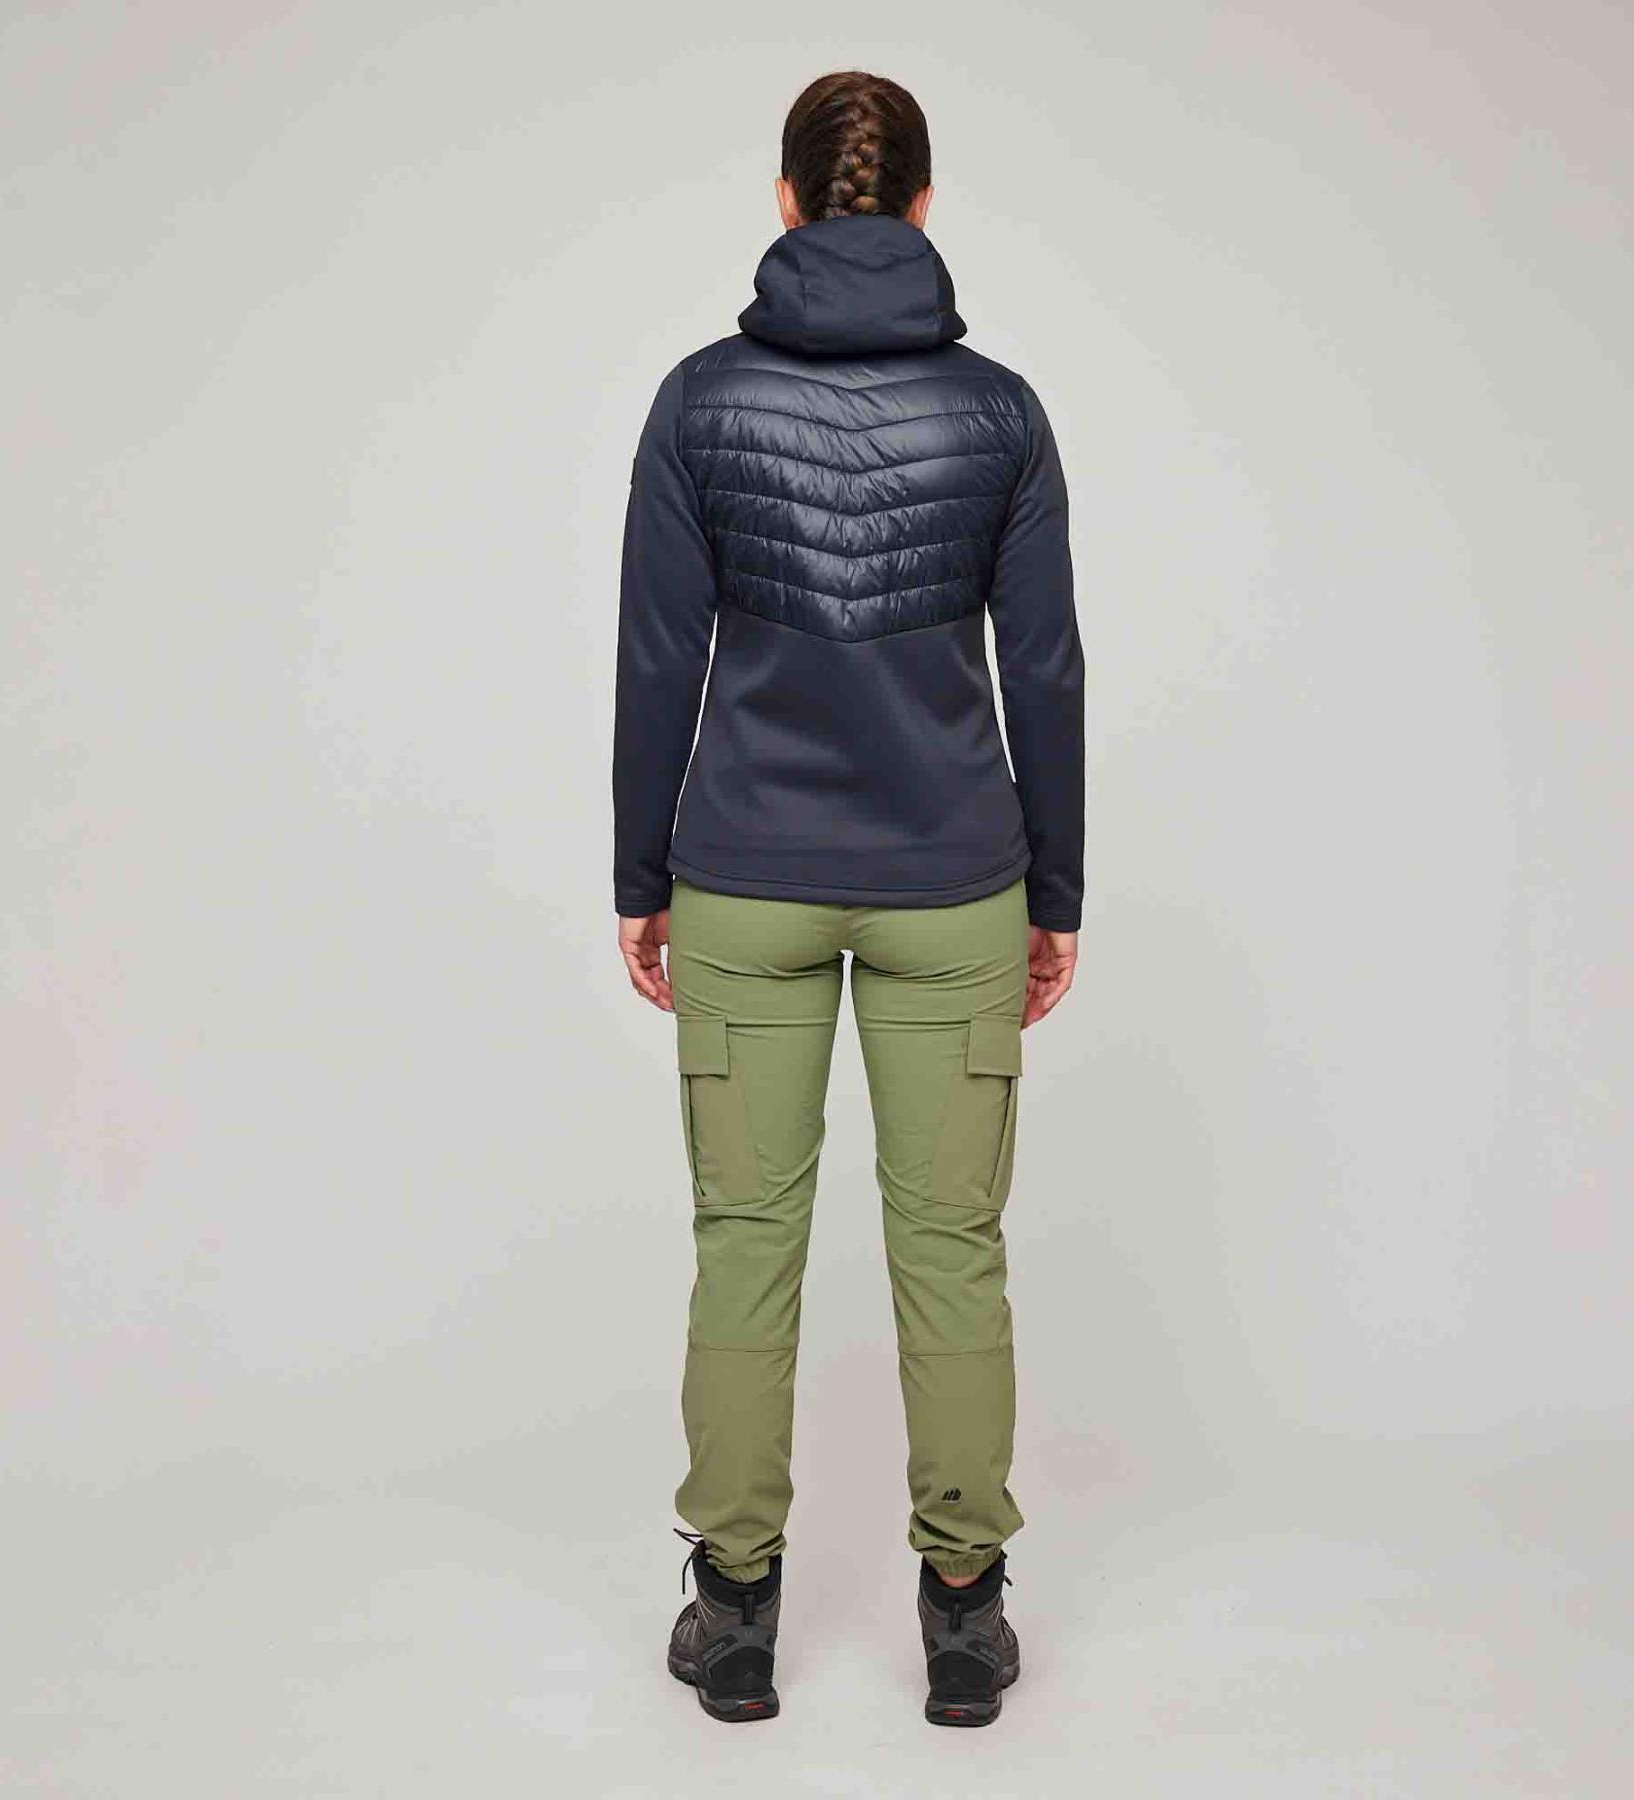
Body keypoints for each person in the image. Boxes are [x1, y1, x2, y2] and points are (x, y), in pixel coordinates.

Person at [611, 69, 1084, 1728]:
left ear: (788, 202)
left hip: (743, 876)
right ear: (925, 207)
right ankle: (963, 1616)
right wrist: (1055, 891)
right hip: (955, 883)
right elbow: (1045, 669)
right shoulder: (999, 415)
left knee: (745, 1244)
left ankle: (736, 1614)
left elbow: (657, 657)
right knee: (953, 1249)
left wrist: (641, 875)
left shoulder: (699, 403)